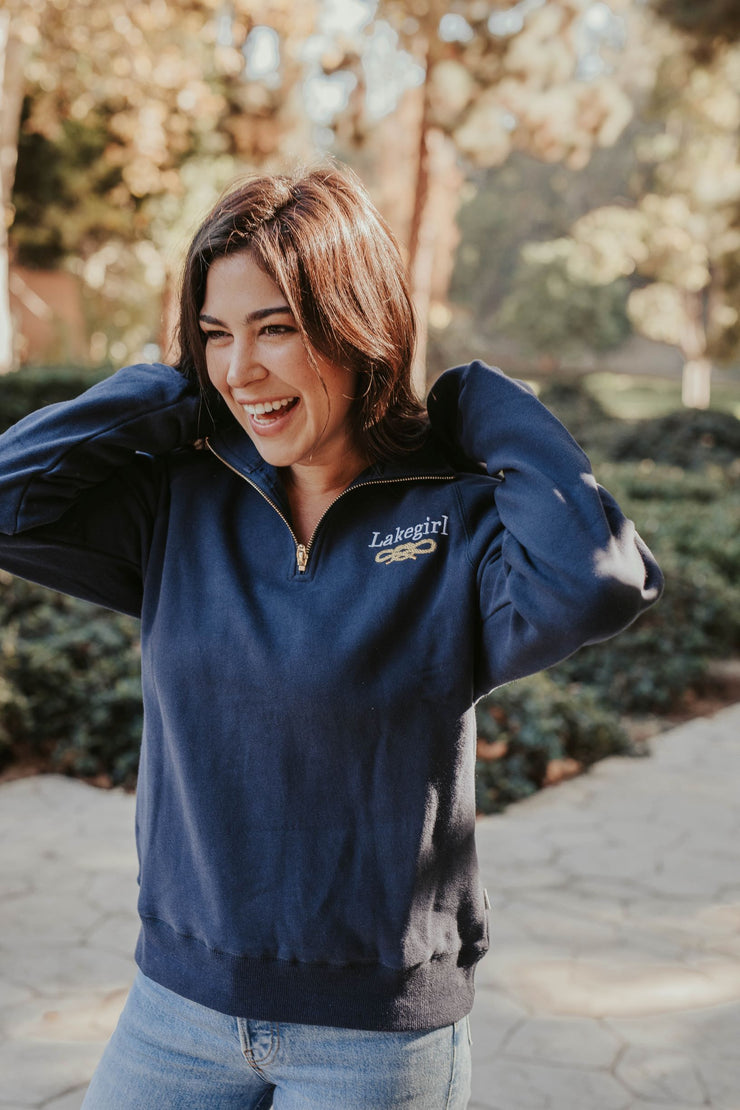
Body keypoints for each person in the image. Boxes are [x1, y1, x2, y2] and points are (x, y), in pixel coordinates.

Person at [0, 164, 662, 1109]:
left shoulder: (456, 521)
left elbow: (594, 582)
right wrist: (167, 393)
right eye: (215, 335)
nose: (241, 369)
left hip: (373, 1038)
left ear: (359, 328)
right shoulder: (178, 503)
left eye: (275, 328)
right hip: (176, 1011)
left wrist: (477, 400)